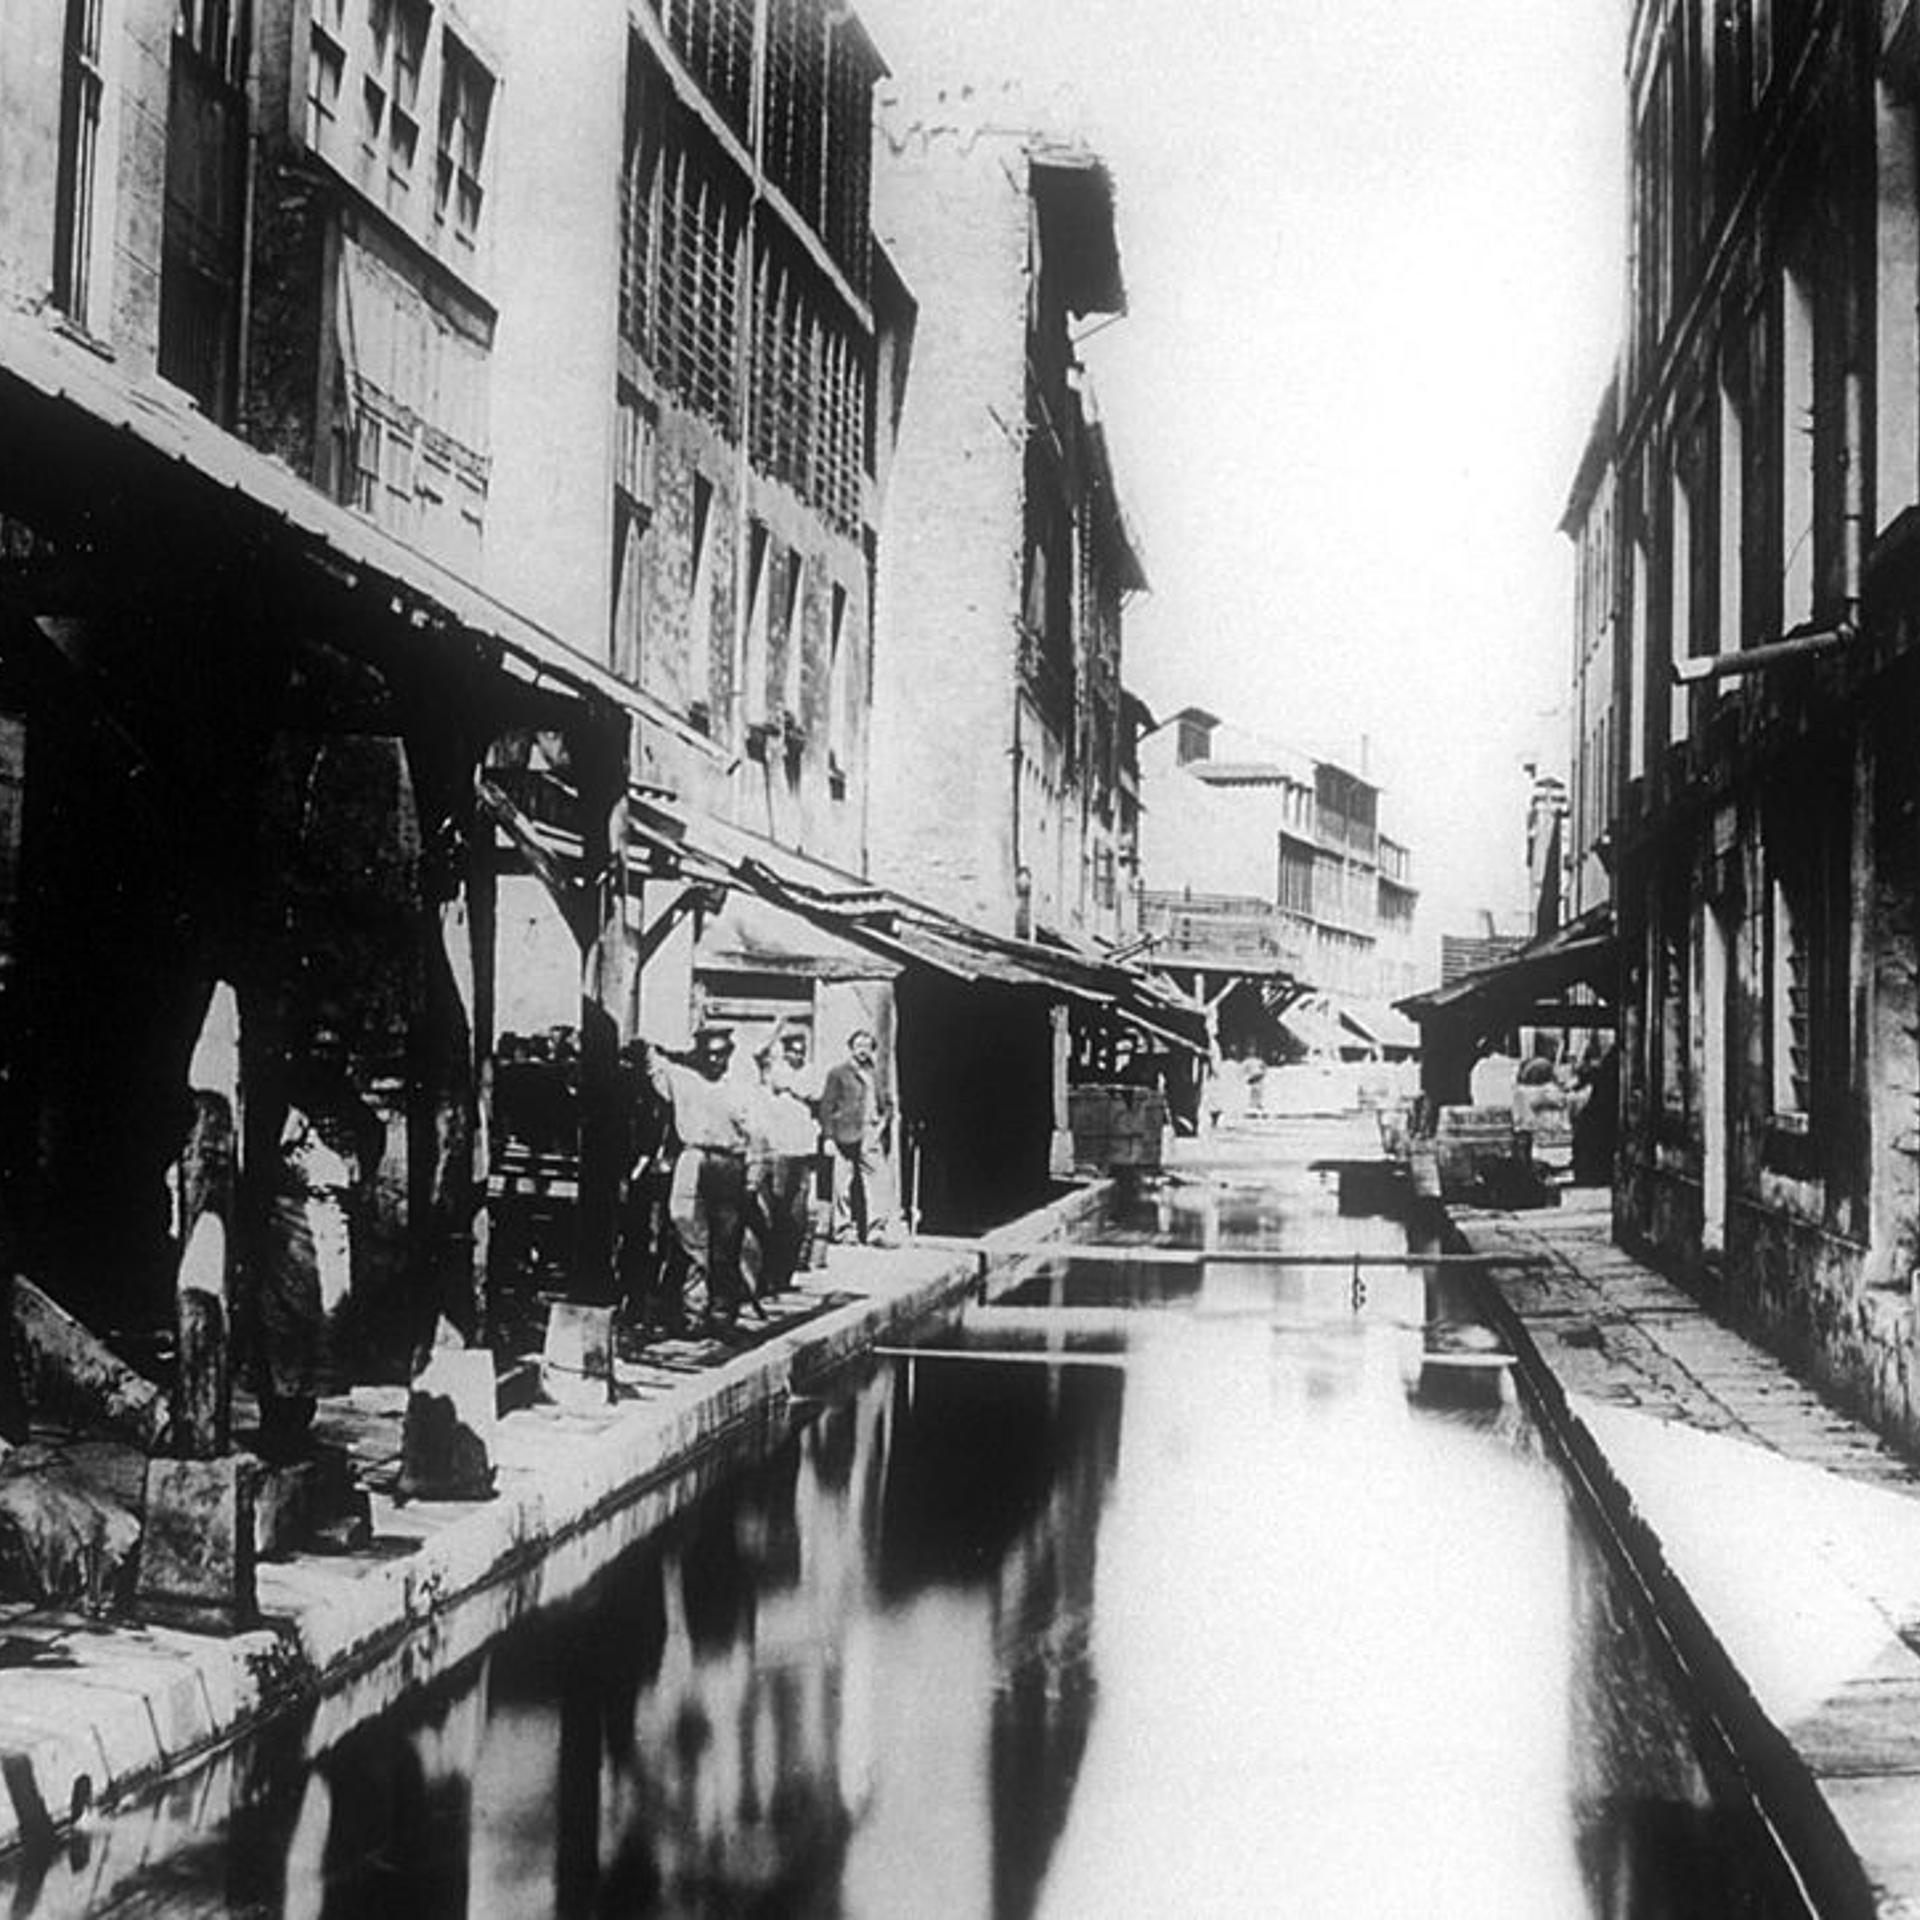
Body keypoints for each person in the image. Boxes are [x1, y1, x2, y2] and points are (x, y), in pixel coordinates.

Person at [257, 1025, 384, 1461]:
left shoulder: (350, 1107)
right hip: (293, 1214)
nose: (325, 1058)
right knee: (285, 1319)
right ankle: (278, 1418)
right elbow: (268, 1155)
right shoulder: (287, 1103)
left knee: (328, 1317)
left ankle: (300, 1417)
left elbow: (370, 1142)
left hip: (334, 1217)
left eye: (334, 1049)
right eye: (318, 1048)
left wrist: (355, 1169)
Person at [646, 1027, 753, 1331]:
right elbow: (651, 1060)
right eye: (711, 1054)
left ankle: (721, 1316)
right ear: (700, 1055)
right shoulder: (683, 1080)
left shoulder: (739, 1087)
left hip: (728, 1162)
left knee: (727, 1243)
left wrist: (753, 1176)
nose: (717, 1061)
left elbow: (756, 1133)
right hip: (692, 1158)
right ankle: (692, 1311)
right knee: (687, 1230)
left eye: (723, 1054)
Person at [748, 1025, 822, 1295]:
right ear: (784, 1051)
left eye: (801, 1052)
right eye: (792, 1051)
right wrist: (775, 1029)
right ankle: (767, 1276)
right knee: (775, 1216)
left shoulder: (808, 1073)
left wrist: (791, 1086)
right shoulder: (773, 1072)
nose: (797, 1056)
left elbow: (814, 1092)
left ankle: (785, 1275)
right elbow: (759, 1055)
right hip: (779, 1151)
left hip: (801, 1152)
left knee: (797, 1219)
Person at [820, 1028, 894, 1245]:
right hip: (844, 1134)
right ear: (851, 1048)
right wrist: (828, 1137)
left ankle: (875, 1231)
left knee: (878, 1181)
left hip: (870, 1134)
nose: (863, 1050)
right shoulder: (838, 1073)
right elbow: (827, 1106)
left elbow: (888, 1103)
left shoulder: (876, 1074)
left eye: (867, 1046)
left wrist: (882, 1124)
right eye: (858, 1045)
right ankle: (844, 1231)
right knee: (842, 1184)